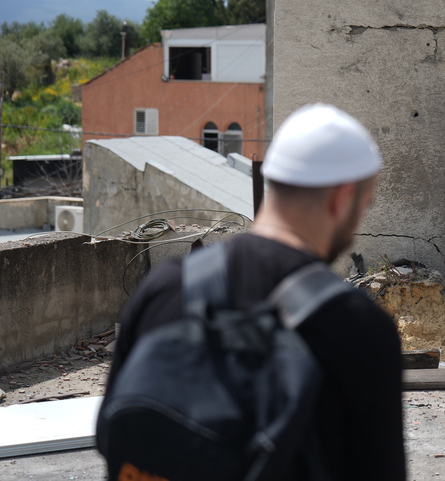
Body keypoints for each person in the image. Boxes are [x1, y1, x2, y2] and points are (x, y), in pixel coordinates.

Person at [107, 103, 406, 480]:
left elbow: (118, 437)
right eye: (366, 204)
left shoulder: (164, 287)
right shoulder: (360, 329)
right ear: (342, 198)